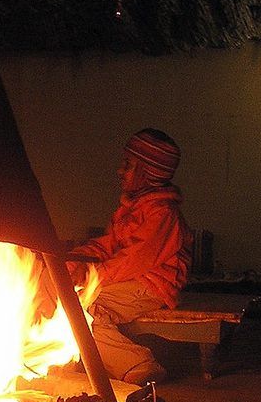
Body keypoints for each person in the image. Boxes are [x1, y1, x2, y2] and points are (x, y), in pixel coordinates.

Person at [68, 128, 193, 385]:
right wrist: (76, 259)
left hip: (151, 286)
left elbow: (133, 259)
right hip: (128, 280)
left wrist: (92, 277)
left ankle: (139, 365)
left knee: (85, 308)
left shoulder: (162, 214)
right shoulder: (130, 209)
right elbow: (108, 245)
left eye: (127, 165)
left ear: (148, 173)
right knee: (71, 302)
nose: (119, 171)